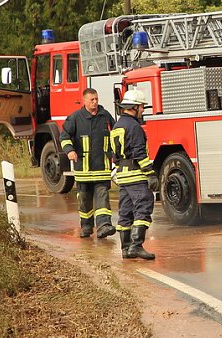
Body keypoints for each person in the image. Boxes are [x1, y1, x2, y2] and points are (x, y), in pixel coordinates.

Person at [60, 88, 116, 239]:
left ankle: (104, 225)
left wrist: (116, 155)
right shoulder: (75, 118)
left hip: (102, 168)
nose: (95, 102)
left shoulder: (105, 116)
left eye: (96, 99)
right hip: (83, 170)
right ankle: (86, 226)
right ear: (84, 101)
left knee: (102, 197)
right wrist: (70, 150)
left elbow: (116, 135)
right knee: (84, 201)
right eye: (92, 99)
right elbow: (64, 136)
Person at [110, 89, 158, 260]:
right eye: (142, 107)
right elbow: (139, 153)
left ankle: (125, 248)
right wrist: (150, 174)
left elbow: (114, 154)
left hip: (122, 175)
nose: (143, 110)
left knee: (125, 211)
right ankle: (136, 246)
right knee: (143, 206)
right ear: (135, 107)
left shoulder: (117, 126)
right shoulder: (134, 126)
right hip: (136, 175)